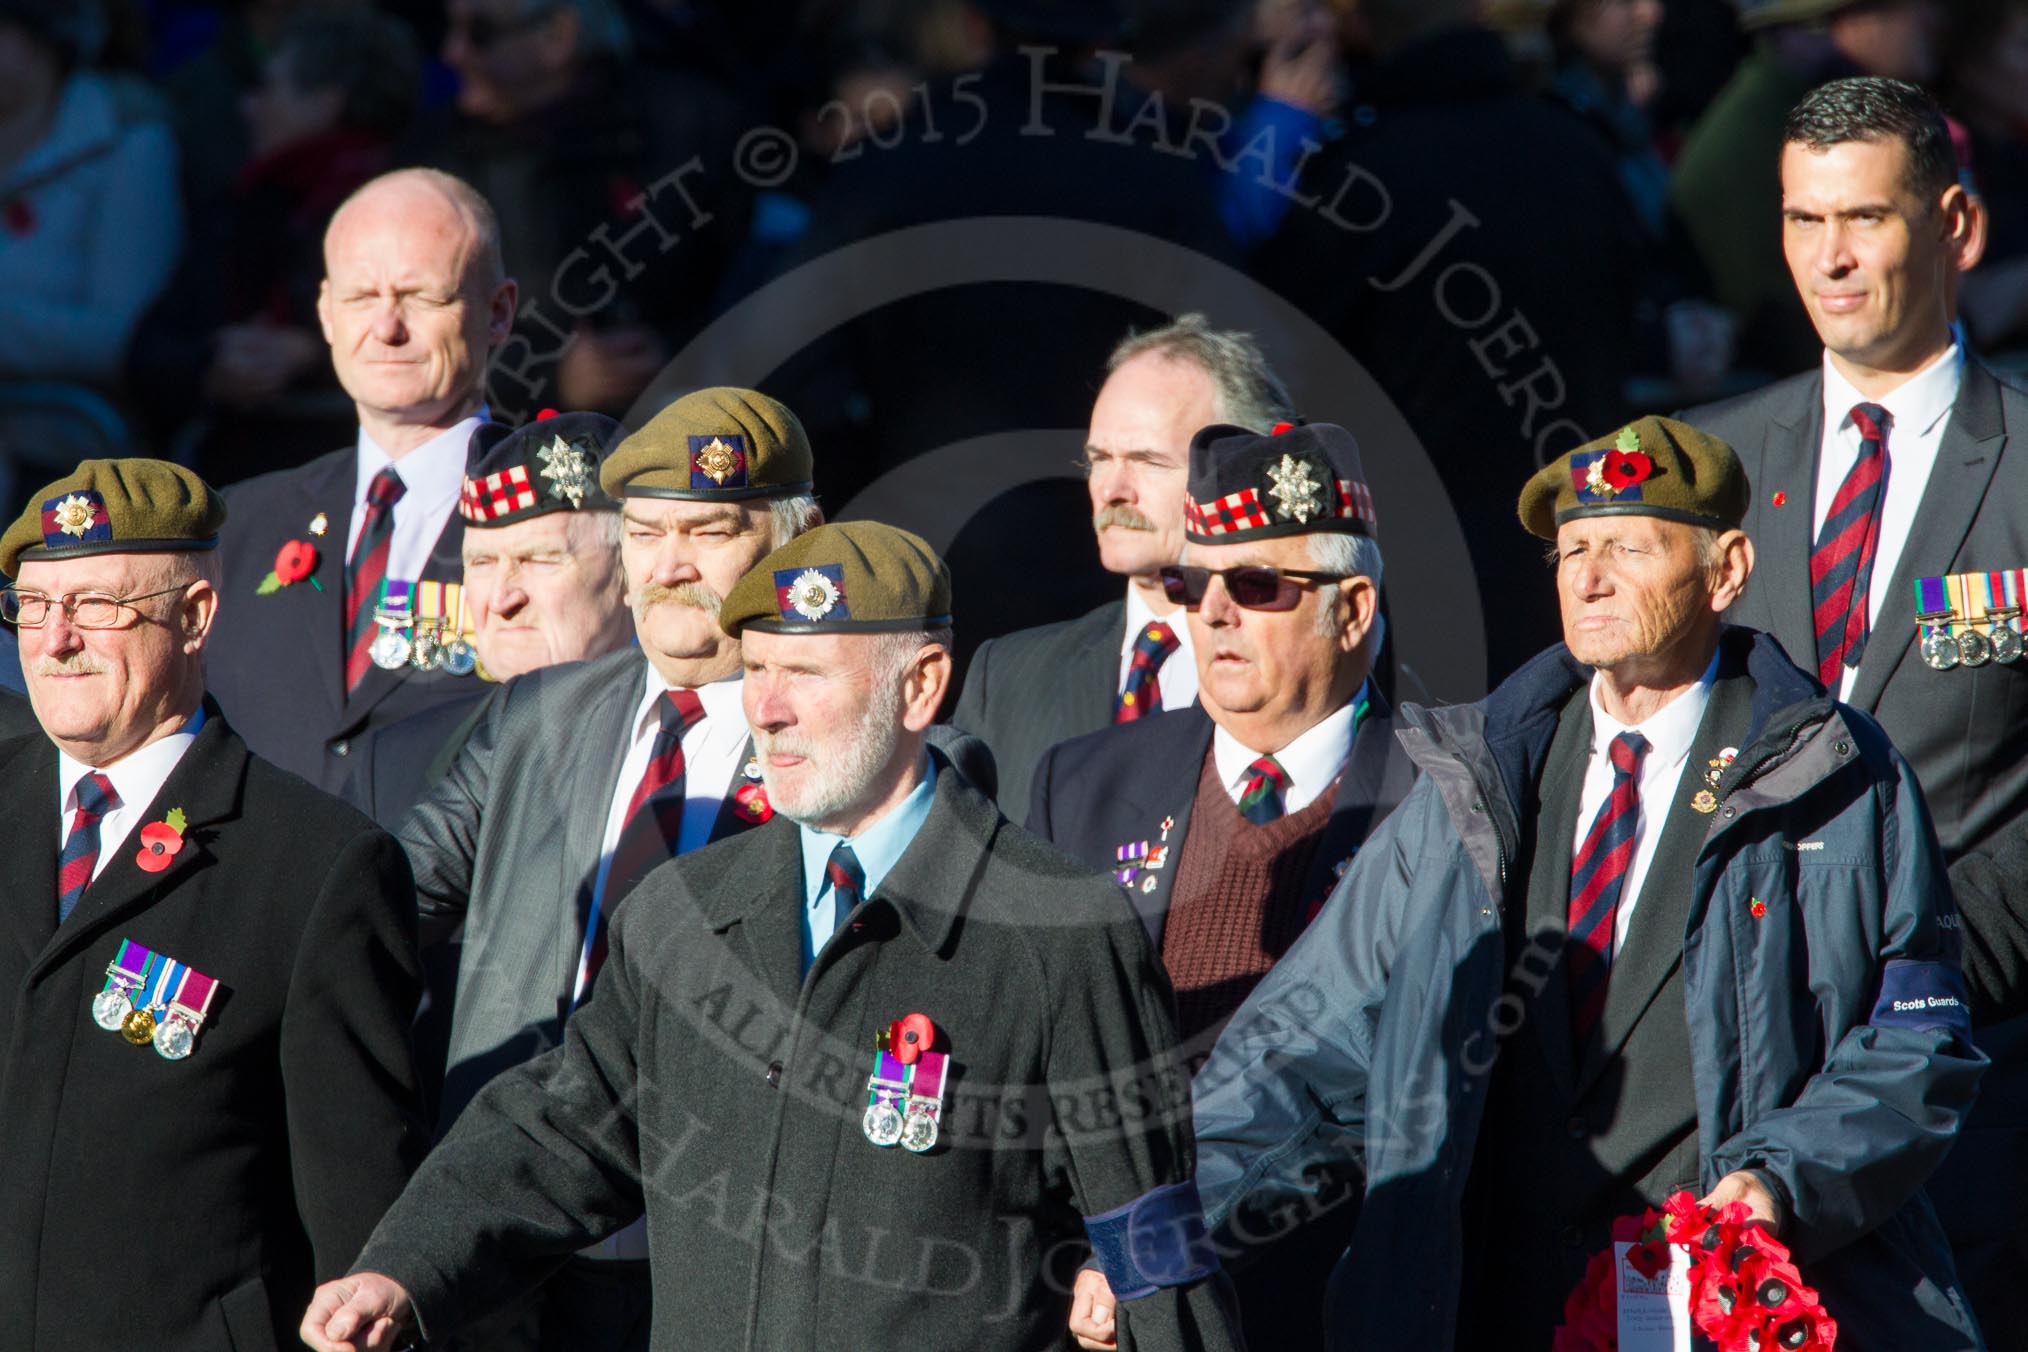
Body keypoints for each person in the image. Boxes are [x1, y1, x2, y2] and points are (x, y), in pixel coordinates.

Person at [1073, 416, 1985, 1350]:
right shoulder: (1477, 781)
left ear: (1728, 570)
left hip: (1735, 1313)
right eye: (1572, 550)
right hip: (1485, 1311)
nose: (1588, 577)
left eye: (1628, 546)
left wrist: (1778, 1182)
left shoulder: (1837, 774)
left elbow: (1915, 1042)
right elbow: (1301, 1052)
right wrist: (1144, 1251)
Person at [301, 520, 1244, 1352]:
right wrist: (401, 1272)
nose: (766, 708)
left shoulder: (1057, 938)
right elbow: (560, 1132)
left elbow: (1151, 1240)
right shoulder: (682, 916)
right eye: (755, 668)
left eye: (806, 672)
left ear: (920, 688)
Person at [1683, 74, 2028, 1341]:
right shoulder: (1704, 469)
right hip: (1719, 1077)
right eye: (1800, 220)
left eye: (1865, 221)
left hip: (1964, 1074)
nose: (1827, 260)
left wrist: (1914, 957)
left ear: (1956, 227)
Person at [382, 387, 821, 1351]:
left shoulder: (840, 740)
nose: (671, 567)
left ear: (795, 542)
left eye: (708, 531)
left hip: (723, 1243)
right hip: (515, 1233)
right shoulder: (537, 715)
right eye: (647, 533)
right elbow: (381, 909)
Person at [0, 459, 425, 1352]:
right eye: (32, 606)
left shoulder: (316, 866)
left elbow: (353, 1224)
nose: (54, 640)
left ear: (193, 617)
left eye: (97, 606)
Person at [1032, 418, 1416, 1350]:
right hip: (1106, 1312)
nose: (1210, 614)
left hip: (1331, 1308)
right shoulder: (1083, 786)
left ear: (1354, 609)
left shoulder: (1445, 797)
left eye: (1254, 585)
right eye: (1191, 582)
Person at [1251, 0, 1646, 682]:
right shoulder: (1577, 149)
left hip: (1418, 579)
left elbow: (1283, 365)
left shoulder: (1358, 174)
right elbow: (1642, 327)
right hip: (1584, 551)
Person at [205, 167, 517, 794]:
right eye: (359, 298)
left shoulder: (555, 518)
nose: (387, 327)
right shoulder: (240, 525)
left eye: (421, 297)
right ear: (324, 313)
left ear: (497, 313)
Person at [955, 315, 1294, 812]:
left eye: (1148, 460)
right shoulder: (1005, 679)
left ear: (1243, 473)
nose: (1111, 490)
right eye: (1099, 458)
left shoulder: (1299, 671)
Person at [127, 5, 423, 489]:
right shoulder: (241, 210)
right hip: (237, 487)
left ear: (326, 101)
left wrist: (312, 355)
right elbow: (149, 351)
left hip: (369, 482)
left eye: (269, 88)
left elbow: (448, 345)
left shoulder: (415, 214)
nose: (248, 106)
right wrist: (212, 364)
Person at [421, 0, 748, 419]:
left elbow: (773, 280)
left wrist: (680, 352)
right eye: (449, 28)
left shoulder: (692, 127)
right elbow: (412, 332)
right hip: (509, 446)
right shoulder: (435, 163)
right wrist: (552, 375)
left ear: (558, 36)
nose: (453, 53)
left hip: (702, 430)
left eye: (480, 33)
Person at [342, 408, 633, 828]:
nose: (501, 598)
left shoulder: (688, 751)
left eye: (539, 560)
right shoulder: (390, 768)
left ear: (628, 570)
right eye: (481, 563)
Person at [1671, 0, 1943, 375]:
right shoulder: (1761, 137)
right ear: (1840, 24)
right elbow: (1786, 328)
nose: (1930, 20)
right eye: (1902, 8)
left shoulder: (1770, 116)